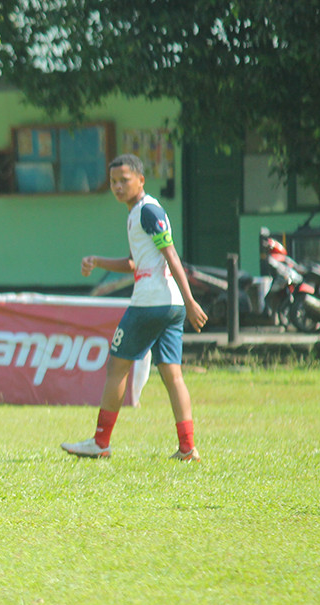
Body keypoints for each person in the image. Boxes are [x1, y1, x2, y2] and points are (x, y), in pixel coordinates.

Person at [61, 153, 208, 461]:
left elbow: (171, 254)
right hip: (170, 305)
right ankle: (187, 448)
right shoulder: (137, 213)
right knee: (172, 375)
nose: (117, 186)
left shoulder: (148, 211)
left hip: (150, 303)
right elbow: (133, 263)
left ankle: (100, 442)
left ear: (141, 180)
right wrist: (97, 261)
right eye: (113, 181)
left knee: (117, 368)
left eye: (124, 180)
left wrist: (191, 299)